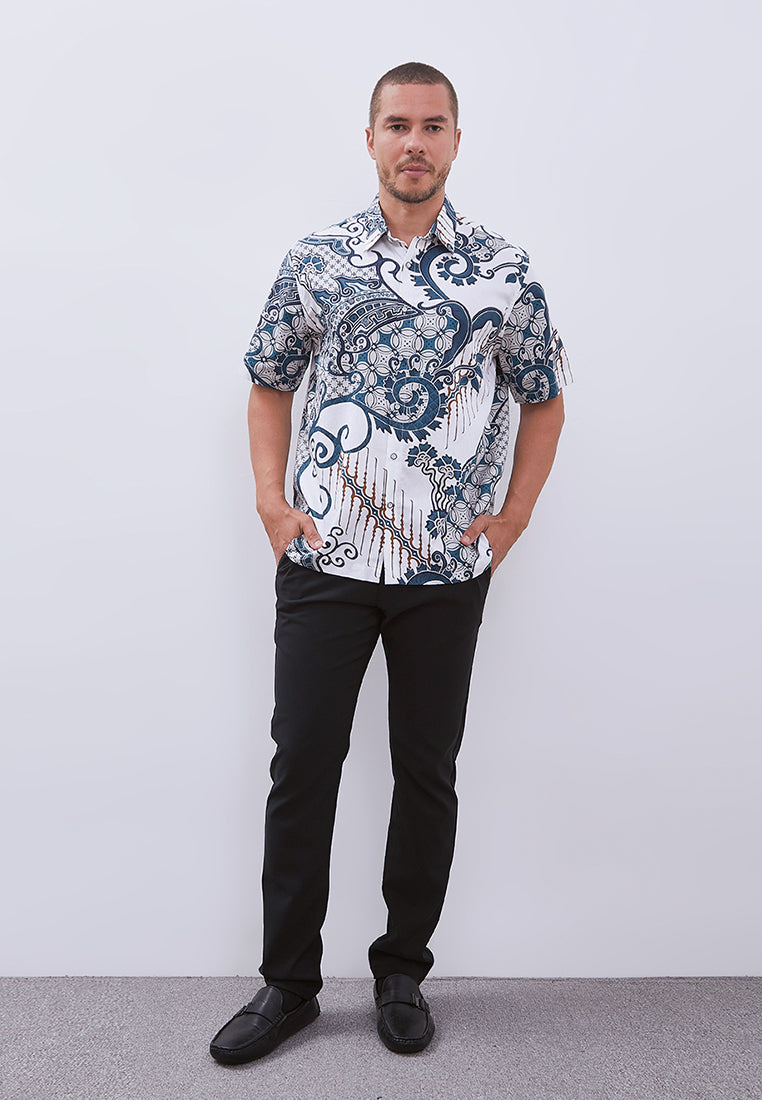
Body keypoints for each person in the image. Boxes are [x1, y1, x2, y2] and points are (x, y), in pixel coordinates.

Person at [209, 60, 571, 1064]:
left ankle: (402, 971)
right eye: (398, 124)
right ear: (370, 137)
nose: (415, 142)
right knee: (302, 766)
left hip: (444, 571)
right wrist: (272, 502)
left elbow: (543, 397)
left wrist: (512, 518)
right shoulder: (317, 259)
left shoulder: (503, 269)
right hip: (325, 557)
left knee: (426, 770)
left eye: (433, 125)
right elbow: (269, 381)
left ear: (456, 140)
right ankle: (288, 984)